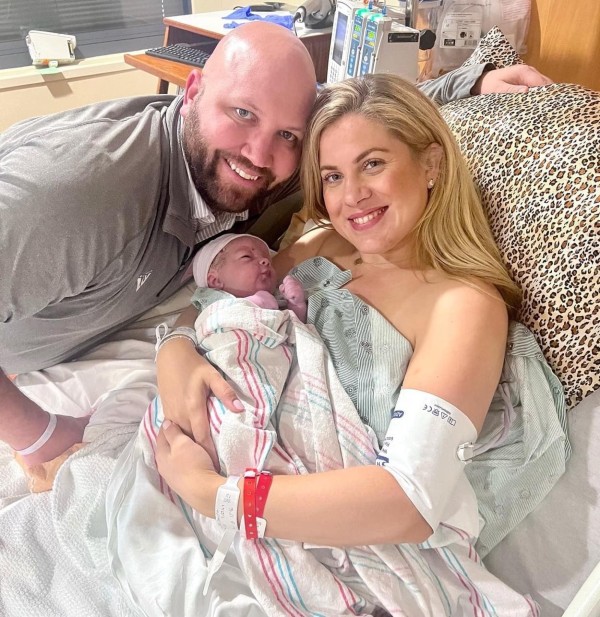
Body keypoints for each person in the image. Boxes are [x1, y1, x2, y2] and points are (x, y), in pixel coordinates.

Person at [0, 19, 552, 468]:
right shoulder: (79, 193)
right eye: (241, 114)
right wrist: (38, 434)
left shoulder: (274, 159)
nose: (259, 156)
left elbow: (361, 125)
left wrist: (468, 85)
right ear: (192, 92)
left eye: (287, 134)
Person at [151, 73, 565, 614]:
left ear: (432, 164)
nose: (353, 197)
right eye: (332, 176)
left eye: (373, 164)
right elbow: (222, 304)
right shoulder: (324, 244)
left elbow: (408, 501)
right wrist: (175, 349)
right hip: (201, 454)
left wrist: (216, 495)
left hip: (273, 516)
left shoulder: (461, 306)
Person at [189, 233, 307, 321]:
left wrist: (296, 305)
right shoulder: (213, 305)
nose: (265, 260)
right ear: (215, 281)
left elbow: (295, 332)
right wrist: (253, 304)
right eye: (246, 256)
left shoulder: (278, 298)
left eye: (268, 259)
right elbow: (217, 326)